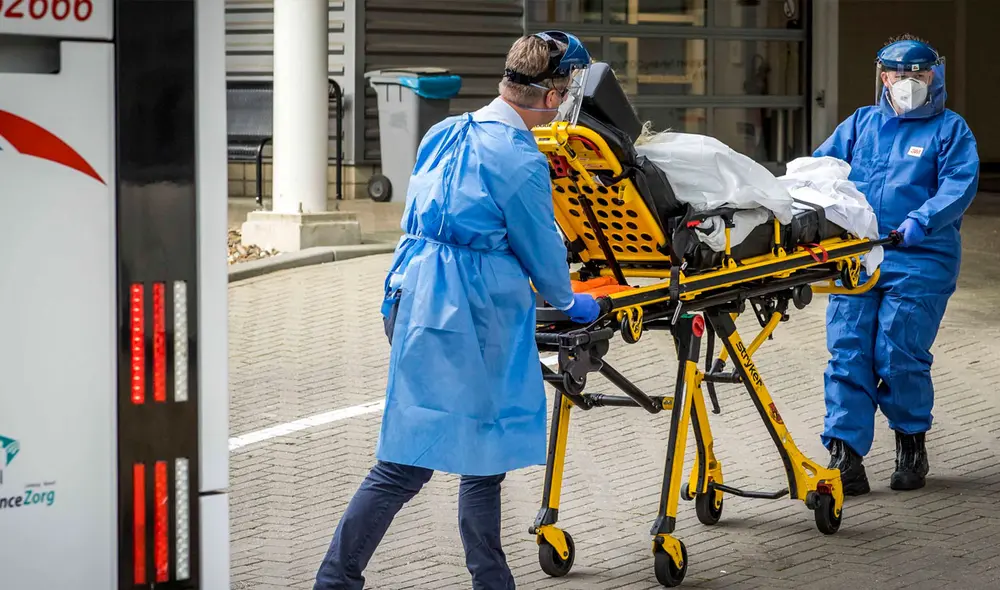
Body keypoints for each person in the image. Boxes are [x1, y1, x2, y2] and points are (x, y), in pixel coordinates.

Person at [313, 32, 601, 590]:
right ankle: (335, 579)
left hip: (412, 294)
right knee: (408, 463)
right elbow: (541, 246)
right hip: (466, 315)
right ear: (549, 97)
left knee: (478, 454)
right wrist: (571, 301)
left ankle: (491, 580)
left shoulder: (447, 131)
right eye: (567, 95)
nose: (568, 106)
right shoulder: (518, 158)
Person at [814, 34, 979, 495]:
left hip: (920, 258)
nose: (907, 82)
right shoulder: (861, 124)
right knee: (848, 351)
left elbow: (959, 185)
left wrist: (921, 220)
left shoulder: (950, 129)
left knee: (898, 352)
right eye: (897, 74)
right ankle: (845, 455)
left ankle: (911, 444)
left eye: (918, 74)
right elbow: (822, 169)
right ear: (882, 76)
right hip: (858, 255)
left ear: (934, 75)